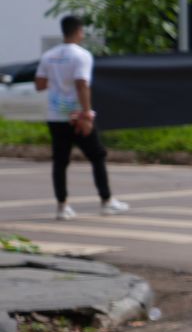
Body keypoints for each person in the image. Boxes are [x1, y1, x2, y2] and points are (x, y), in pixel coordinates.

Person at [35, 15, 128, 220]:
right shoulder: (82, 55)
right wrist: (87, 114)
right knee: (97, 155)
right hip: (76, 116)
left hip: (55, 115)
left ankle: (62, 206)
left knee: (60, 161)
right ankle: (106, 201)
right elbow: (82, 84)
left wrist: (57, 82)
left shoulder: (49, 56)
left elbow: (40, 84)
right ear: (78, 31)